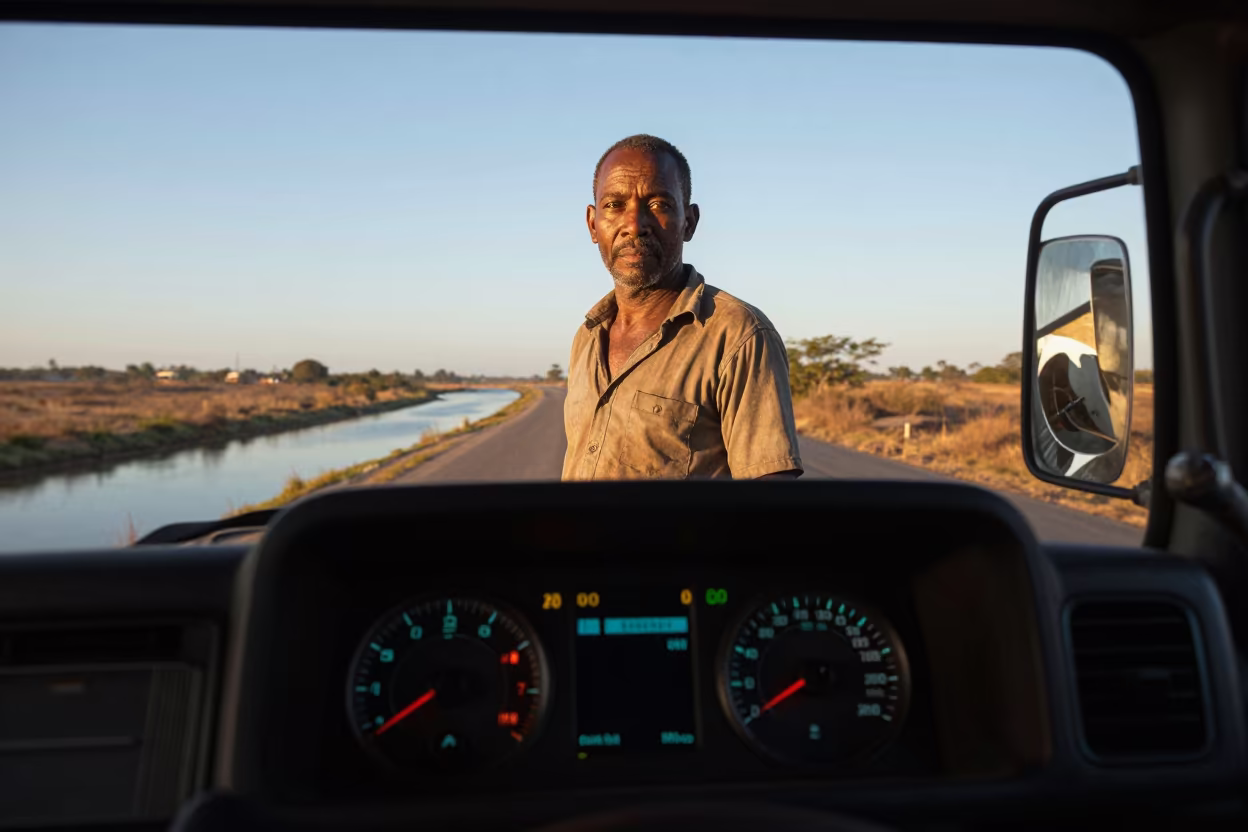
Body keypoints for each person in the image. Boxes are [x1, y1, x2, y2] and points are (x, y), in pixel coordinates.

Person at [562, 134, 803, 480]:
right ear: (592, 224)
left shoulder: (739, 335)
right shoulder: (587, 337)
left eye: (658, 204)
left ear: (689, 222)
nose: (634, 225)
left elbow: (770, 494)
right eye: (614, 205)